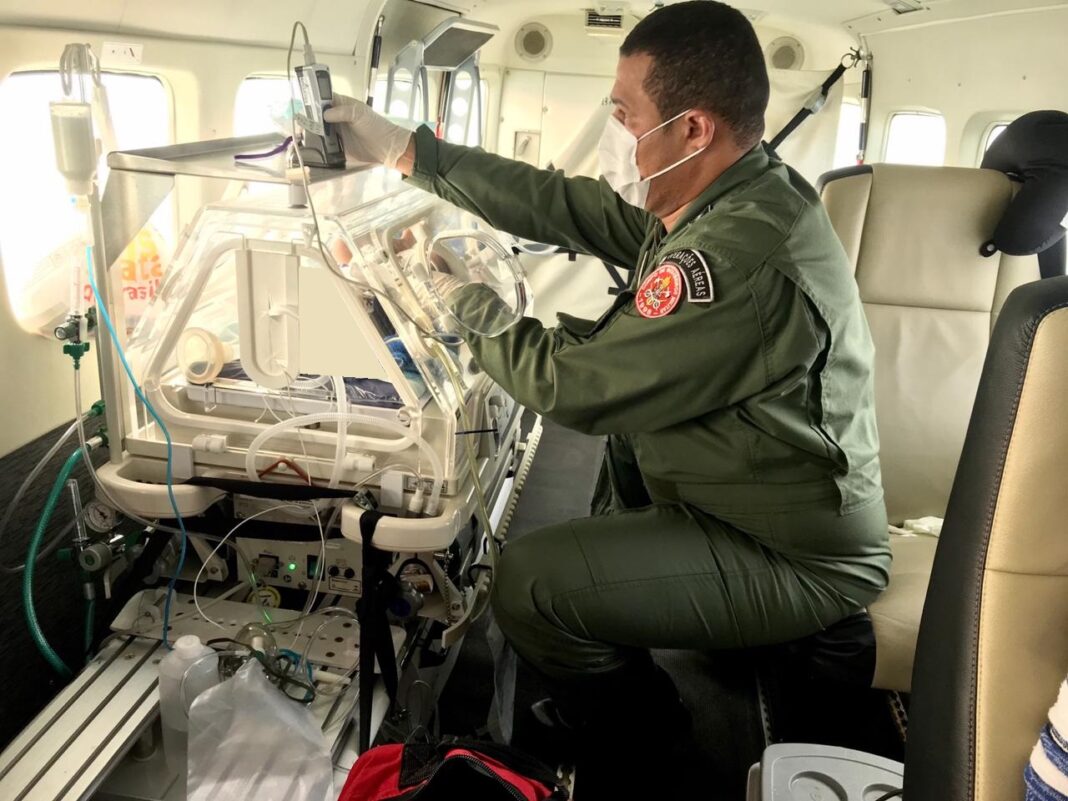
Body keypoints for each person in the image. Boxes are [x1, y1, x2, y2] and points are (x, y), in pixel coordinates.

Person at [325, 1, 890, 793]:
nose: (614, 131)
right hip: (744, 496)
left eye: (626, 115)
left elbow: (573, 387)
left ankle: (646, 729)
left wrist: (465, 305)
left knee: (528, 582)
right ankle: (616, 637)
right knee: (616, 467)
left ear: (693, 130)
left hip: (791, 552)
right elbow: (568, 206)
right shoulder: (731, 192)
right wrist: (409, 152)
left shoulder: (736, 256)